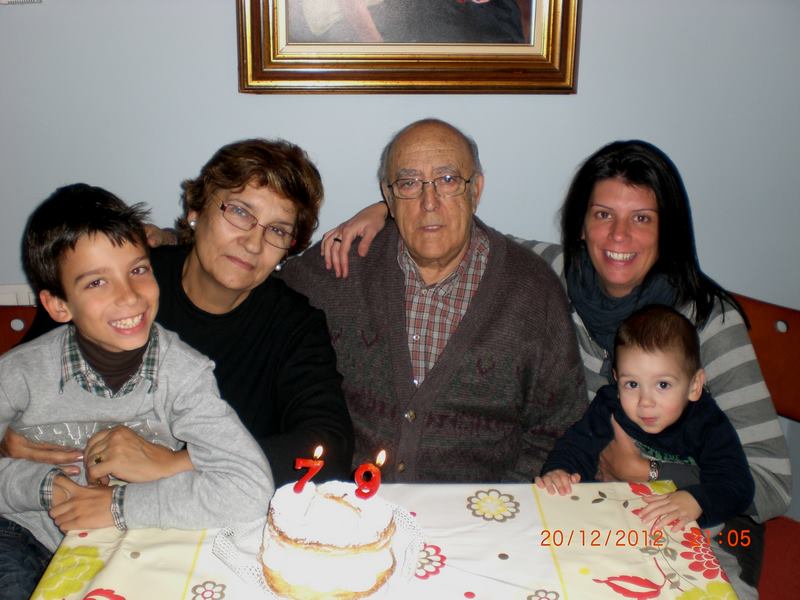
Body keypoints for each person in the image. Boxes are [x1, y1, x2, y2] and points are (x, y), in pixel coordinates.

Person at [320, 138, 791, 595]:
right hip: (589, 517)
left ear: (666, 230)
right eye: (603, 215)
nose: (619, 236)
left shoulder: (707, 321)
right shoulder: (552, 274)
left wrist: (648, 474)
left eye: (641, 218)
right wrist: (385, 211)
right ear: (580, 225)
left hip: (706, 527)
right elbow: (456, 230)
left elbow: (772, 480)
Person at [8, 139, 354, 487]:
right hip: (76, 500)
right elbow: (23, 372)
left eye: (277, 230)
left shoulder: (294, 325)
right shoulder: (127, 284)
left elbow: (330, 448)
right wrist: (6, 439)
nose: (253, 243)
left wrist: (178, 463)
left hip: (215, 507)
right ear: (195, 211)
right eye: (239, 212)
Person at [0, 184, 273, 598]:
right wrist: (39, 485)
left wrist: (117, 506)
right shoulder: (18, 373)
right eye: (96, 282)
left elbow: (249, 486)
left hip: (134, 538)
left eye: (138, 270)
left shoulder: (184, 374)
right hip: (22, 534)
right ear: (58, 305)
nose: (128, 295)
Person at [279, 118, 588, 482]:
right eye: (409, 184)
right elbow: (253, 294)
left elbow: (560, 429)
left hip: (484, 507)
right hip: (351, 504)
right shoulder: (343, 264)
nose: (429, 203)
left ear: (476, 190)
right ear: (389, 197)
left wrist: (498, 502)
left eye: (448, 180)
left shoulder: (533, 290)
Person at [536, 304, 755, 531]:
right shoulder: (609, 407)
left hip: (678, 529)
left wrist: (697, 501)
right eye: (632, 384)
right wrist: (560, 471)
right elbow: (576, 447)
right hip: (610, 519)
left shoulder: (707, 424)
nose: (645, 402)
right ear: (616, 379)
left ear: (694, 386)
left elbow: (738, 486)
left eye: (663, 385)